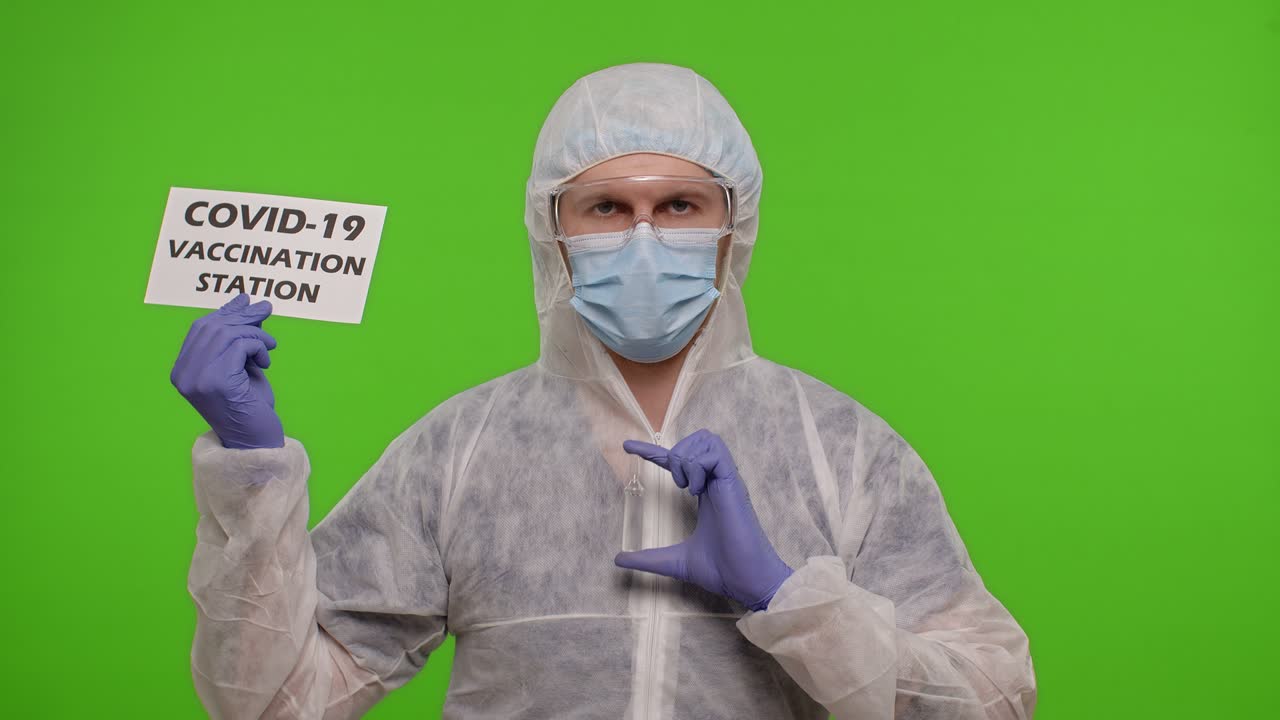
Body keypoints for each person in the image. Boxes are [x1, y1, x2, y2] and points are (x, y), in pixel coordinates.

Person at [171, 62, 1037, 719]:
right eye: (608, 208)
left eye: (683, 206)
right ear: (554, 232)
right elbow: (274, 703)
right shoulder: (460, 451)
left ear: (734, 229)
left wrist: (786, 597)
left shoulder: (841, 450)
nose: (646, 237)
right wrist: (250, 471)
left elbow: (996, 699)